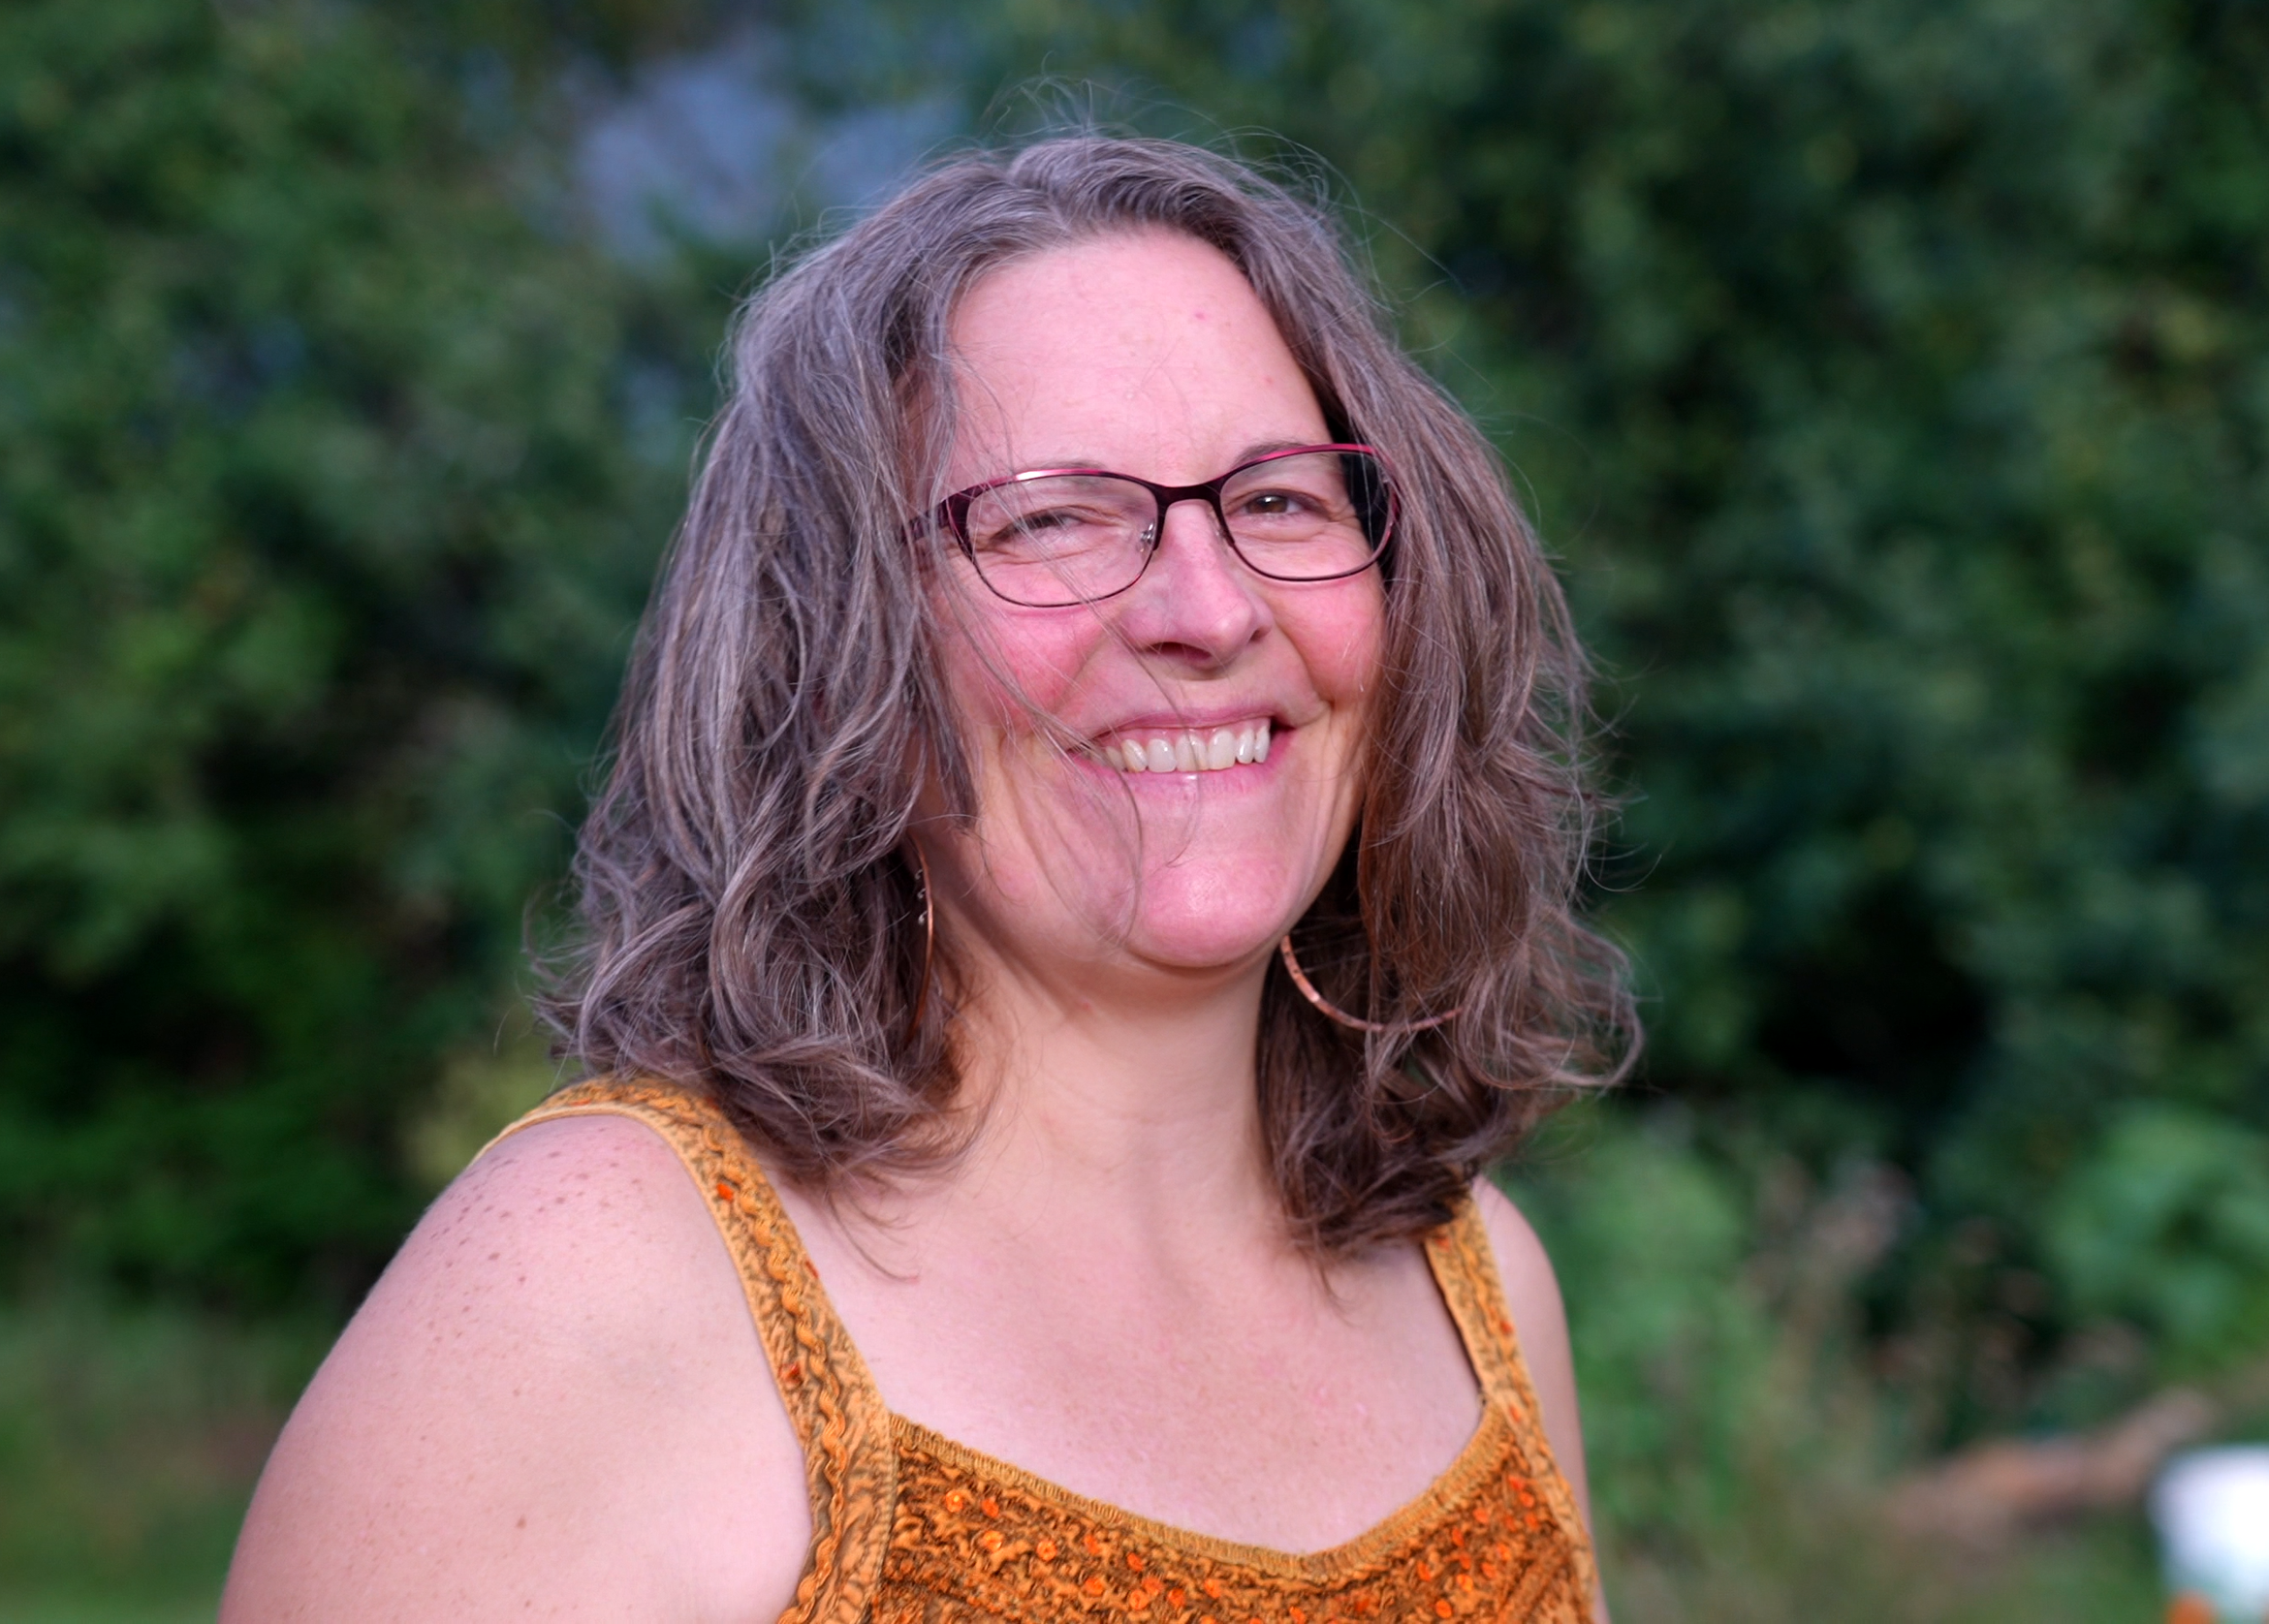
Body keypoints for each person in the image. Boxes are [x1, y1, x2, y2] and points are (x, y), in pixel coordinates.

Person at [221, 134, 1636, 1624]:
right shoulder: (597, 1288)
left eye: (1281, 500)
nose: (1209, 609)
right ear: (838, 654)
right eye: (1052, 517)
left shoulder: (1481, 1293)